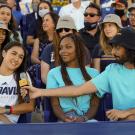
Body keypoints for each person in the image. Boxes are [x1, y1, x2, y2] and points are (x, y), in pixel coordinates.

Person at [22, 27, 135, 121]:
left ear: (131, 49)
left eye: (118, 48)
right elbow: (77, 90)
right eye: (113, 47)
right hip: (121, 124)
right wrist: (40, 92)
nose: (113, 52)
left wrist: (127, 112)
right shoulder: (112, 70)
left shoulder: (101, 71)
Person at [46, 34, 99, 122]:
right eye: (61, 48)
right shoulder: (53, 73)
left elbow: (94, 104)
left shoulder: (94, 73)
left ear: (79, 50)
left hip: (87, 119)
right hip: (65, 119)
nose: (63, 51)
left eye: (68, 47)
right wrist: (65, 119)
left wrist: (84, 118)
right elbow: (55, 104)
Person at [0, 41, 35, 124]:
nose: (16, 59)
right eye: (13, 53)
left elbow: (29, 105)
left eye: (20, 57)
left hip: (9, 126)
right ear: (4, 53)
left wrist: (5, 110)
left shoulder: (22, 77)